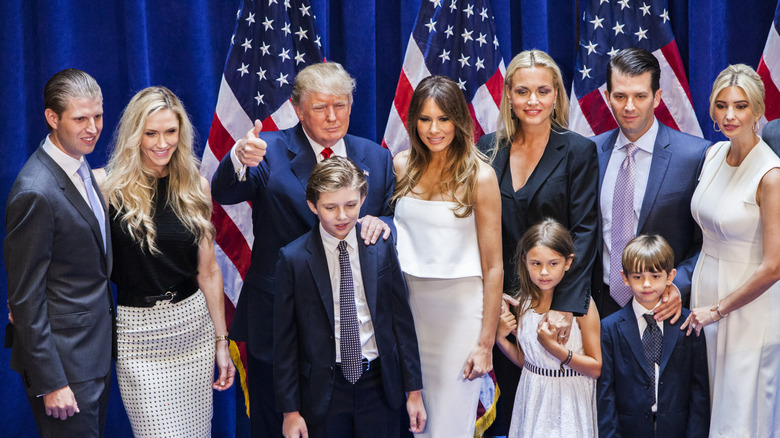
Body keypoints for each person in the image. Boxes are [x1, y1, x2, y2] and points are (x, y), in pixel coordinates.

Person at [211, 61, 395, 437]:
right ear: (298, 109)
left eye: (340, 105)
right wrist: (237, 159)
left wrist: (385, 224)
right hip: (280, 321)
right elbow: (225, 192)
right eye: (320, 107)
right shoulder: (270, 149)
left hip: (350, 329)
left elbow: (390, 216)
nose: (332, 117)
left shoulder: (375, 157)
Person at [99, 86, 235, 436]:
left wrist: (222, 341)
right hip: (137, 335)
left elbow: (208, 271)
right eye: (151, 133)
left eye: (170, 131)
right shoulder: (106, 188)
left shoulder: (196, 187)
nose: (162, 143)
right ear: (135, 135)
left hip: (193, 330)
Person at [475, 49, 599, 432]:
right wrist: (492, 304)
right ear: (508, 94)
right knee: (514, 410)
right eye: (523, 91)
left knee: (555, 416)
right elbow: (479, 229)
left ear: (557, 95)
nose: (533, 101)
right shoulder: (487, 148)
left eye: (543, 91)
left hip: (555, 305)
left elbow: (585, 230)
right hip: (503, 307)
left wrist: (564, 307)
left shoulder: (579, 150)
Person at [273, 156, 425, 438]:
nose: (342, 216)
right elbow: (285, 341)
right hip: (324, 392)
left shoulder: (379, 244)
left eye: (351, 205)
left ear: (363, 198)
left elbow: (401, 321)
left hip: (379, 385)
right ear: (312, 206)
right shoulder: (293, 259)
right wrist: (290, 412)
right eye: (330, 207)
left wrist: (414, 390)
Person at [5, 68, 113, 437]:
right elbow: (25, 298)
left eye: (97, 116)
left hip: (91, 354)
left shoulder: (79, 166)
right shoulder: (35, 191)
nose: (93, 127)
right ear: (53, 118)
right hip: (64, 370)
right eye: (80, 118)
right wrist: (51, 382)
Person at [392, 75, 502, 437]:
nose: (434, 129)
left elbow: (493, 265)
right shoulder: (401, 166)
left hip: (459, 315)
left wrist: (486, 344)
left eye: (443, 119)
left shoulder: (481, 177)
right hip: (406, 312)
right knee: (410, 425)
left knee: (448, 427)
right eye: (425, 119)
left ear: (459, 120)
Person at [682, 64, 780, 437]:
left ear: (757, 111)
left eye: (740, 106)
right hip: (705, 303)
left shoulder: (771, 175)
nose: (729, 115)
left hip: (749, 309)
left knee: (743, 417)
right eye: (721, 105)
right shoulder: (713, 154)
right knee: (713, 410)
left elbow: (775, 266)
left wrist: (719, 309)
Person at [593, 47, 711, 319]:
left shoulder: (694, 156)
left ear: (657, 97)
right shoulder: (590, 152)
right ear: (608, 97)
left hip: (665, 308)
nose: (629, 106)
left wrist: (678, 285)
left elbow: (708, 241)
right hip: (600, 309)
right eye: (620, 96)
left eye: (640, 96)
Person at [495, 219, 601, 437]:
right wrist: (500, 339)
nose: (544, 272)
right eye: (536, 263)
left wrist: (556, 349)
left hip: (569, 398)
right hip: (532, 395)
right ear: (524, 261)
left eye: (553, 263)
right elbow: (528, 361)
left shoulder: (582, 306)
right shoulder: (523, 301)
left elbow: (595, 367)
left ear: (568, 262)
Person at [599, 234, 709, 437]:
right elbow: (606, 393)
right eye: (637, 277)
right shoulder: (609, 328)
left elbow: (699, 389)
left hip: (677, 428)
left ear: (670, 276)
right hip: (629, 430)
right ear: (625, 277)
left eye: (655, 276)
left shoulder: (688, 323)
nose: (646, 284)